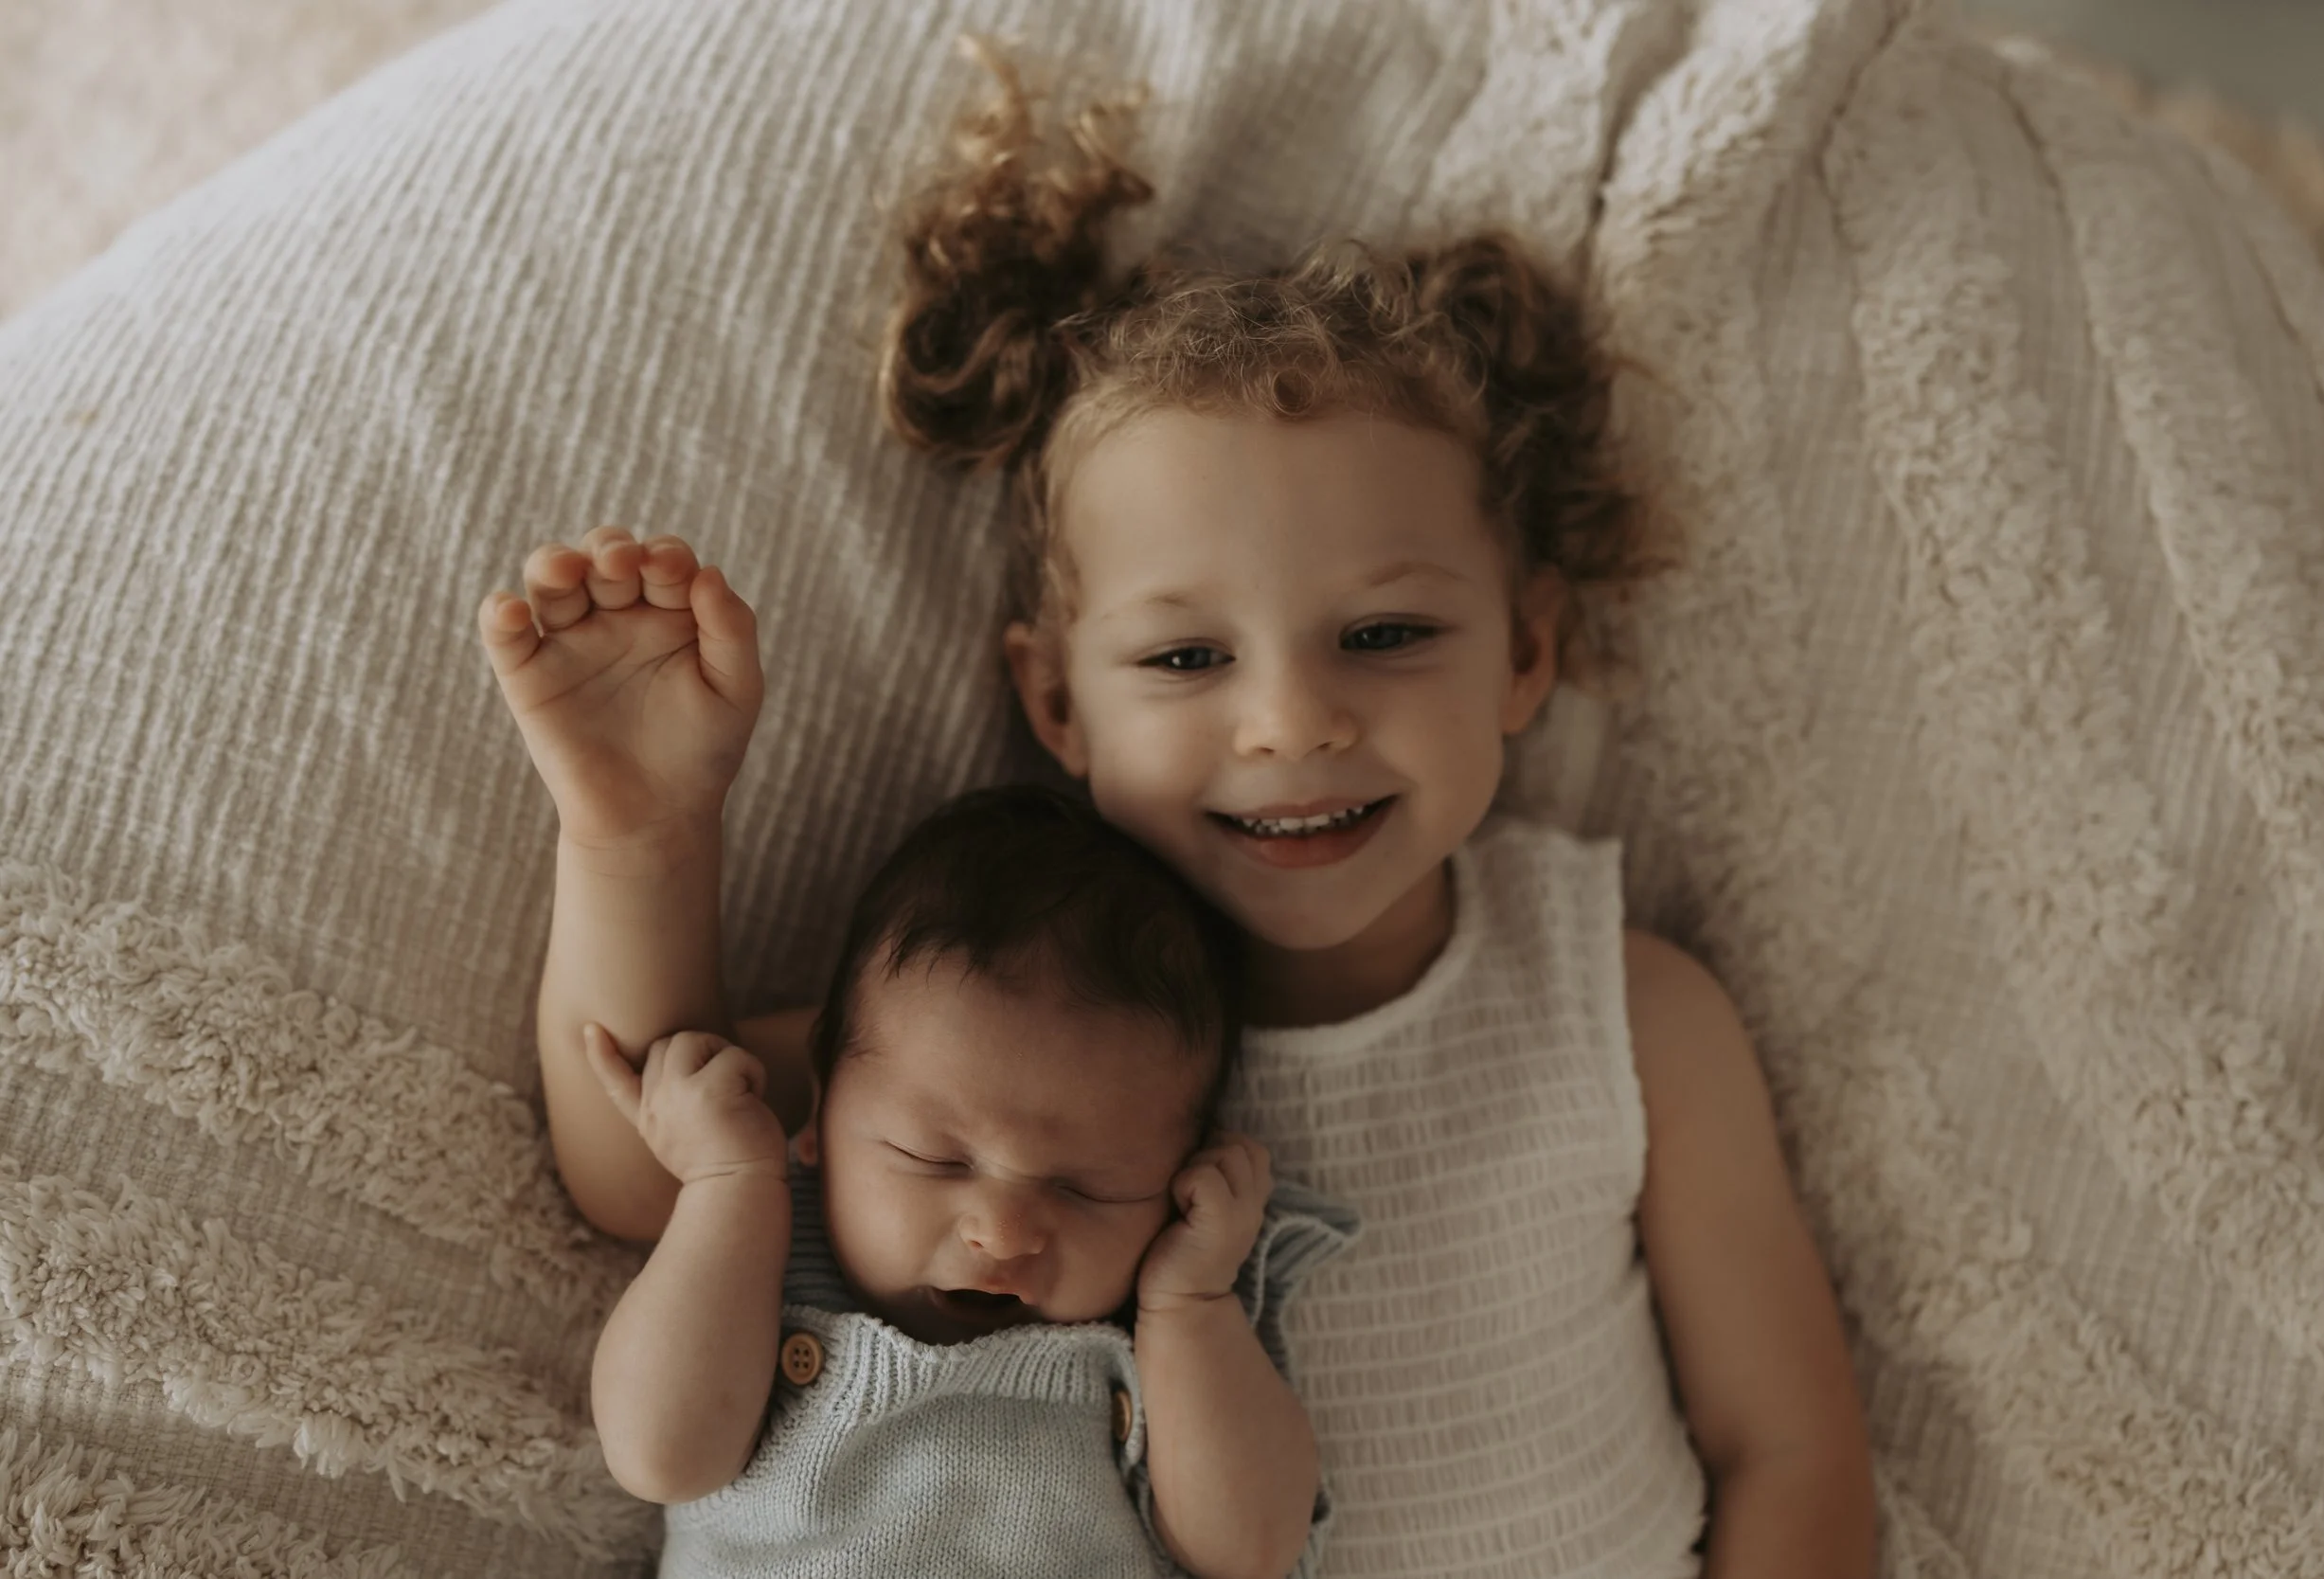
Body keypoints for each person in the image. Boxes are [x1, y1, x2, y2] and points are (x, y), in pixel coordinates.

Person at [477, 38, 1875, 1579]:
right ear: (1058, 701)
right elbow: (642, 1158)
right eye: (1187, 657)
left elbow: (1791, 1448)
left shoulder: (1624, 1008)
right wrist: (643, 833)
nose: (1292, 720)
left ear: (1526, 652)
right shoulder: (1000, 1007)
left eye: (1386, 633)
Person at [578, 784, 1354, 1579]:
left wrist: (1192, 1302)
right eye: (936, 1159)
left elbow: (1250, 1550)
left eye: (1085, 1188)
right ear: (820, 1110)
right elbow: (658, 1454)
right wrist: (726, 1185)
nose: (1002, 1231)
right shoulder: (753, 1259)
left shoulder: (1170, 1333)